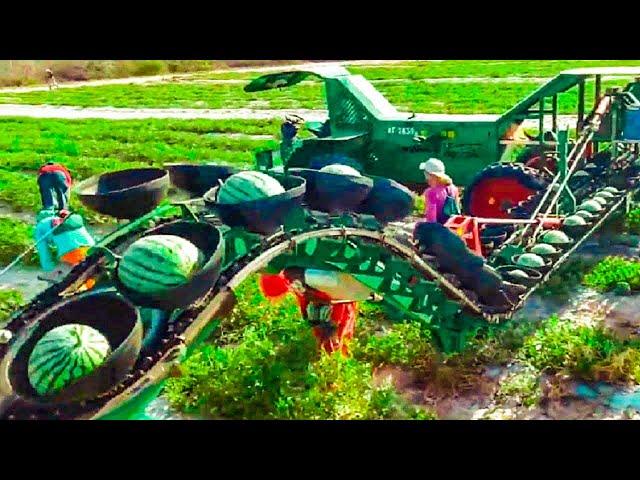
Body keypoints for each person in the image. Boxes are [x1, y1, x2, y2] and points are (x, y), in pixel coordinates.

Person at [259, 267, 374, 355]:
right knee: (326, 339)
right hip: (323, 296)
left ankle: (333, 362)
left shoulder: (330, 287)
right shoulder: (294, 280)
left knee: (336, 341)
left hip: (335, 300)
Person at [34, 208, 96, 286]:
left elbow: (44, 252)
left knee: (72, 278)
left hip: (72, 253)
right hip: (92, 248)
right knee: (90, 275)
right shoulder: (68, 217)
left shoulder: (39, 227)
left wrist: (49, 271)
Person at [419, 158, 460, 224]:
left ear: (430, 175)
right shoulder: (454, 188)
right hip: (452, 226)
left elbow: (431, 219)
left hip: (439, 229)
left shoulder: (430, 192)